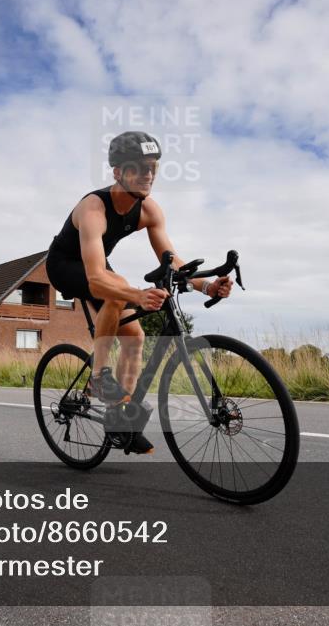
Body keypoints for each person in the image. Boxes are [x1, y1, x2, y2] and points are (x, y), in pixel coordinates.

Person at [46, 131, 233, 454]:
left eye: (153, 168)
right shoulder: (93, 209)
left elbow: (171, 260)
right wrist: (136, 295)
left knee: (135, 337)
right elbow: (95, 279)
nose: (148, 175)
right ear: (118, 172)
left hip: (98, 266)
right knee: (120, 294)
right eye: (139, 167)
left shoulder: (149, 210)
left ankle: (120, 422)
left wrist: (205, 284)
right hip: (65, 264)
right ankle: (99, 376)